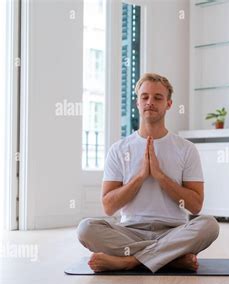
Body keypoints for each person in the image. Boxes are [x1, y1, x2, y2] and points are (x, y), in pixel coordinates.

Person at [76, 73, 219, 273]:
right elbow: (109, 206)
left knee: (210, 225)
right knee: (86, 228)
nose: (150, 102)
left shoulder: (186, 148)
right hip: (130, 232)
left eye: (157, 98)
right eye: (145, 97)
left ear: (168, 104)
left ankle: (130, 261)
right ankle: (169, 258)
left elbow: (195, 206)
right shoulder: (119, 149)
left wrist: (160, 176)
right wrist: (141, 176)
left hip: (173, 232)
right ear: (137, 102)